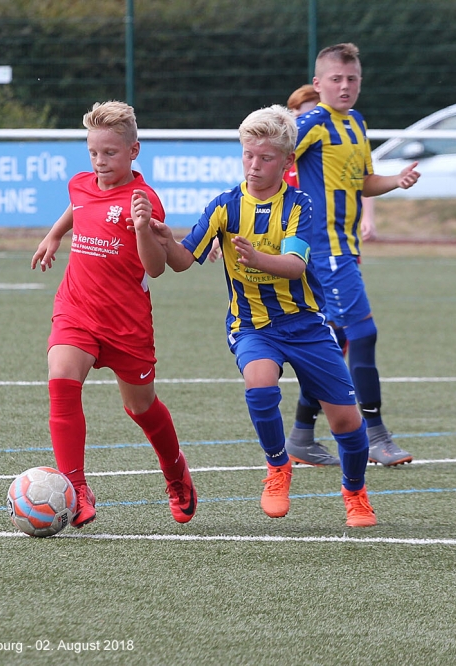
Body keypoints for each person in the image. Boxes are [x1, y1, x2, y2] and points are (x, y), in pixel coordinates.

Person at [138, 104, 376, 527]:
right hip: (252, 325)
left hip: (305, 324)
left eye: (265, 158)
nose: (254, 165)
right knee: (260, 384)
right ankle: (278, 466)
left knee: (346, 421)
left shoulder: (300, 204)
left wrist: (257, 258)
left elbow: (296, 266)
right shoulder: (224, 206)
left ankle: (355, 493)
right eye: (248, 155)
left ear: (287, 162)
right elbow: (181, 261)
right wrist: (165, 239)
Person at [31, 100, 196, 528]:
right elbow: (79, 205)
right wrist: (54, 235)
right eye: (93, 152)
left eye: (110, 153)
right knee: (61, 380)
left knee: (141, 407)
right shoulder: (80, 184)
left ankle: (176, 473)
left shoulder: (144, 201)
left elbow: (156, 269)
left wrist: (142, 229)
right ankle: (75, 489)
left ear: (133, 151)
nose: (100, 161)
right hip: (76, 309)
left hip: (126, 323)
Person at [284, 43, 420, 468]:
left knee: (337, 341)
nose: (345, 86)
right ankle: (375, 435)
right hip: (324, 251)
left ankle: (302, 435)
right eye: (336, 79)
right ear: (318, 83)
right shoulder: (311, 123)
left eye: (352, 78)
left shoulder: (357, 122)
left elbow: (363, 181)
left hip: (346, 248)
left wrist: (395, 180)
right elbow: (267, 161)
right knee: (363, 334)